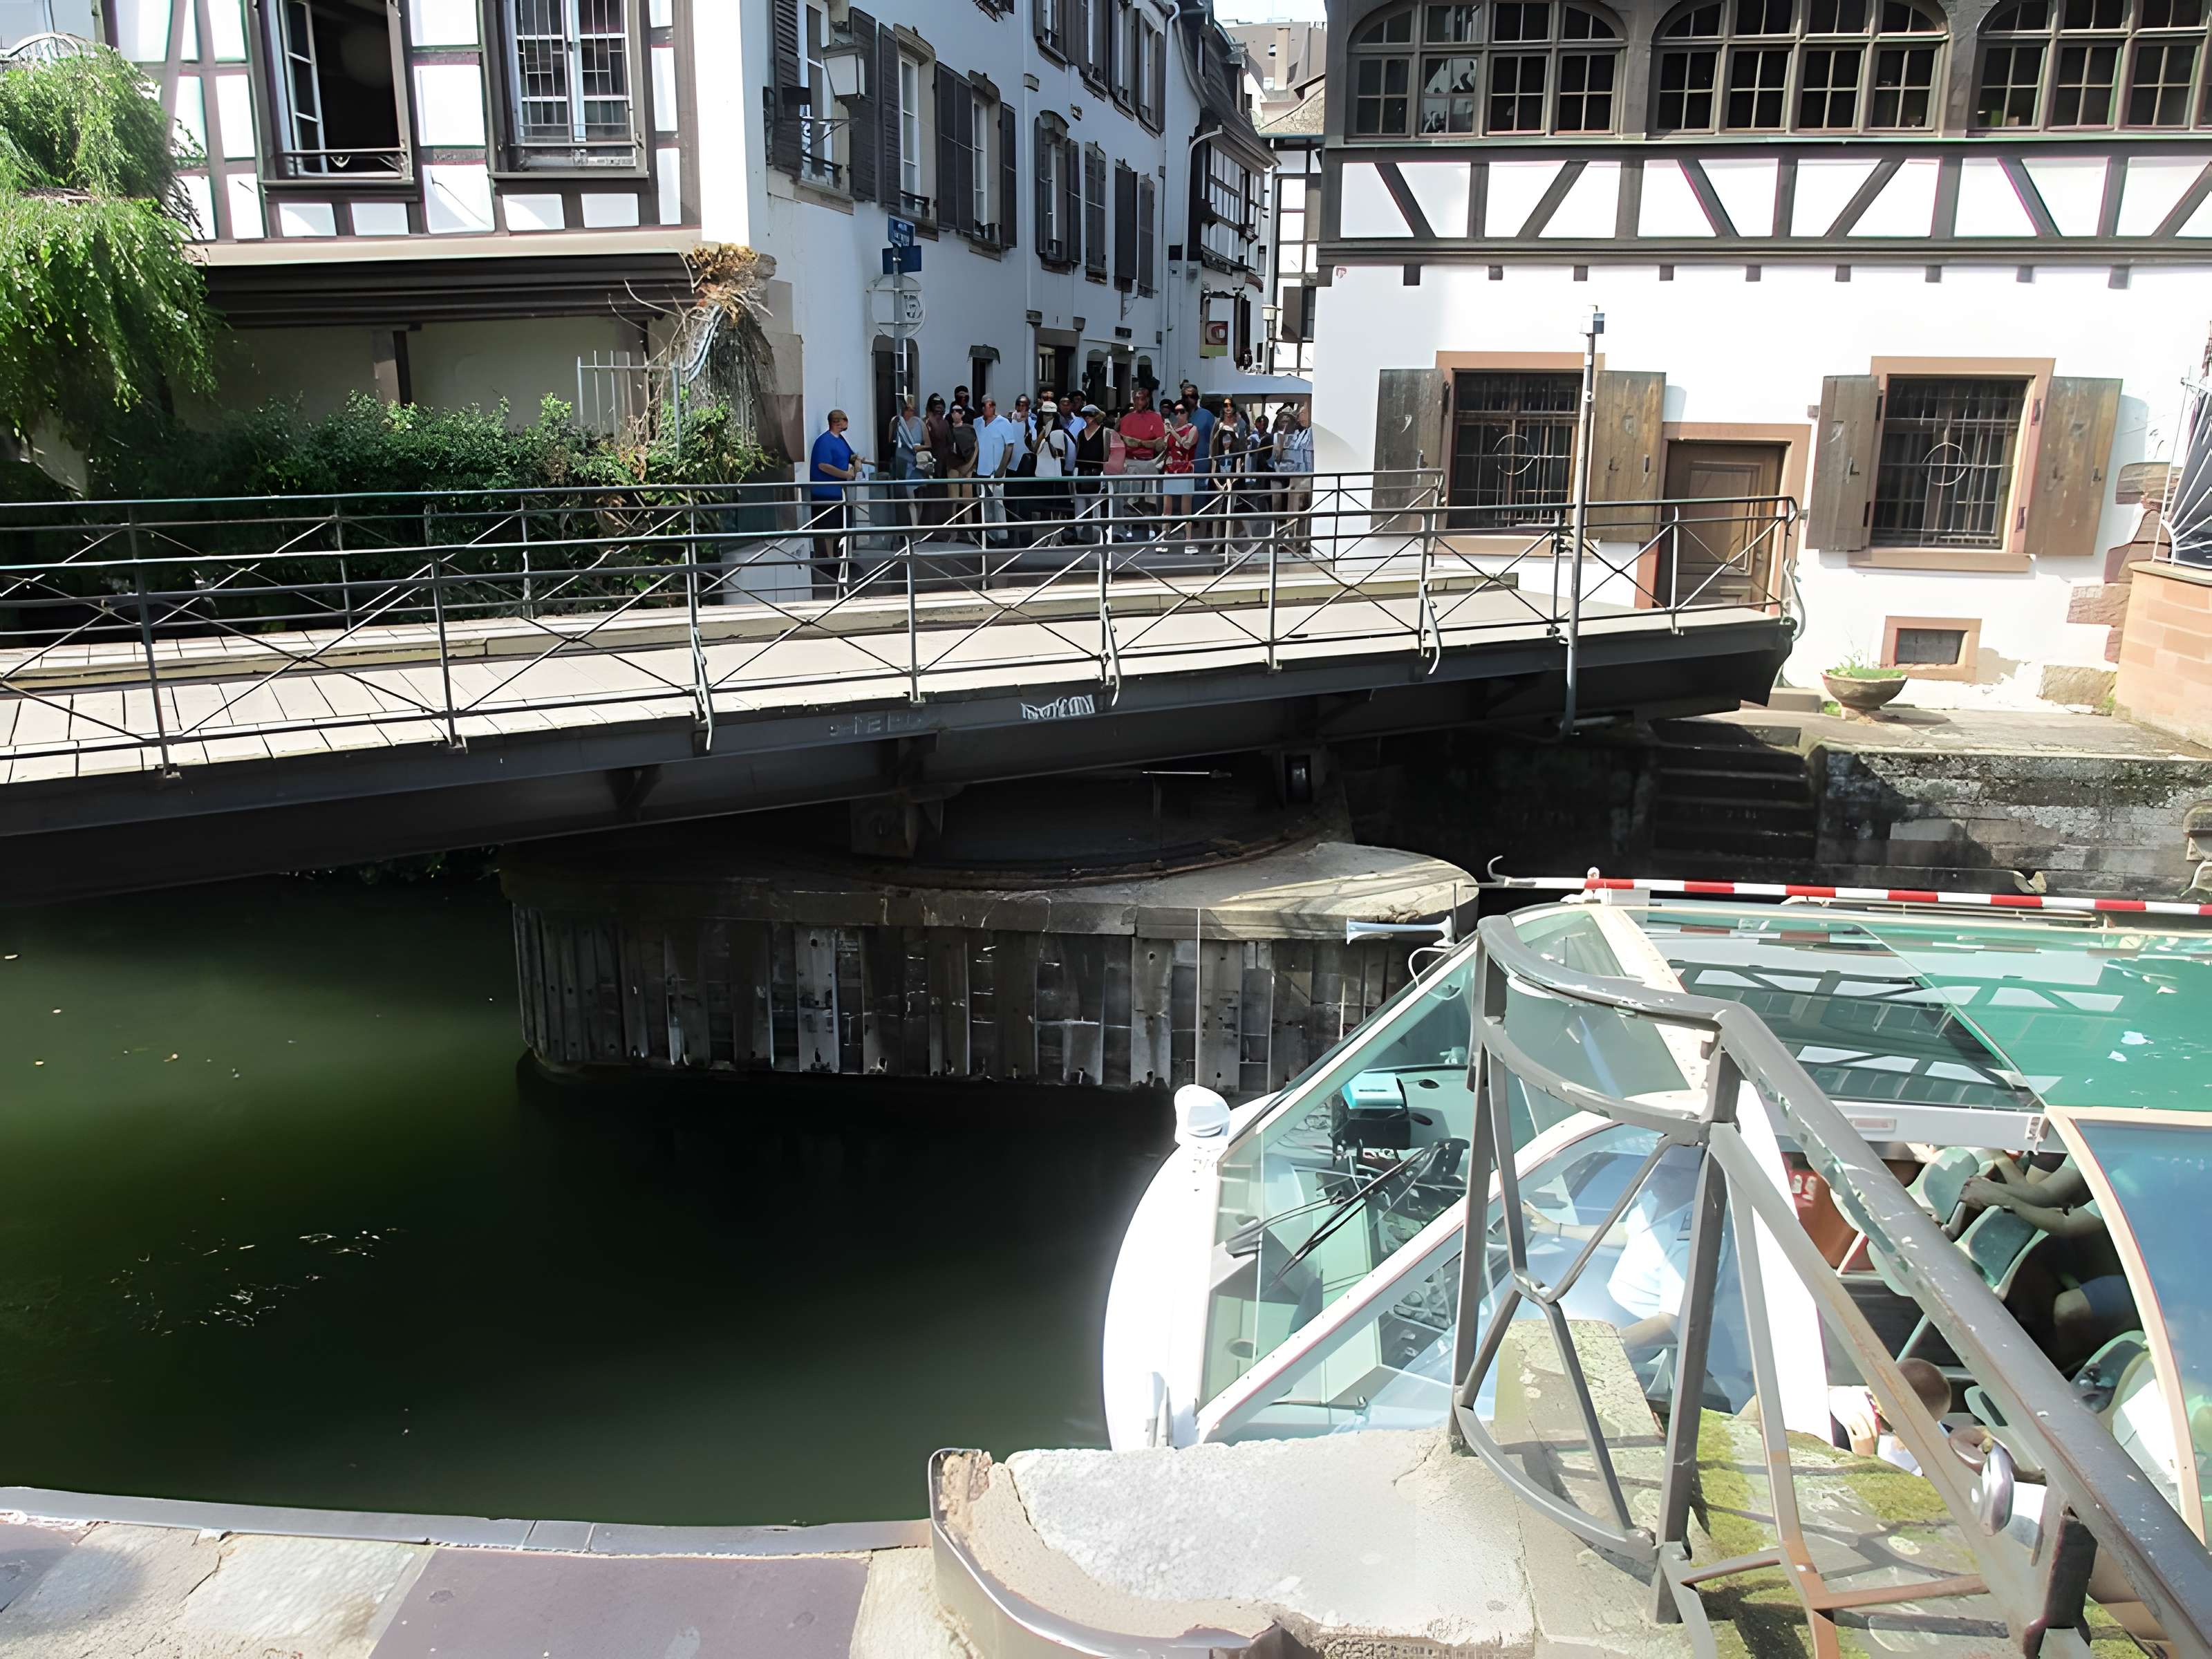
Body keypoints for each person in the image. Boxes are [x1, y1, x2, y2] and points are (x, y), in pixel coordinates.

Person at [1960, 1156, 2137, 1373]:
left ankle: (2065, 1370)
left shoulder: (2137, 1175)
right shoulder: (2086, 1141)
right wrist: (1996, 1186)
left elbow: (2065, 1223)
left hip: (2154, 1283)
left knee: (2068, 1308)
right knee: (2044, 1258)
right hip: (2112, 1258)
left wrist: (2002, 1197)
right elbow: (2044, 1194)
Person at [807, 407, 863, 596]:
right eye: (845, 421)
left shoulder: (841, 441)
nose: (847, 424)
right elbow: (823, 465)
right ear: (838, 422)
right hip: (825, 493)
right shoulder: (824, 441)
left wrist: (857, 461)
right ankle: (829, 560)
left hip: (839, 494)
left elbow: (850, 454)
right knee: (828, 528)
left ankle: (839, 559)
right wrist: (845, 475)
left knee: (840, 526)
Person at [1117, 387, 1166, 542]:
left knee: (1150, 500)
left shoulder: (1156, 418)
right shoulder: (1127, 419)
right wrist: (1146, 443)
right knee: (1131, 499)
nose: (1139, 402)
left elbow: (1159, 444)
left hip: (1150, 462)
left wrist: (1142, 443)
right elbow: (1126, 441)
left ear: (1148, 400)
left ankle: (1151, 529)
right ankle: (1130, 528)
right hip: (1132, 461)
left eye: (1142, 399)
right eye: (1136, 399)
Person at [973, 395, 1020, 548]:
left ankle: (1002, 536)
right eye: (985, 405)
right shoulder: (977, 423)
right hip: (981, 470)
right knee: (985, 505)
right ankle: (989, 536)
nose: (989, 407)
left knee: (998, 503)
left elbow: (1009, 446)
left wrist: (1001, 469)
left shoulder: (1004, 423)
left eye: (992, 404)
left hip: (996, 471)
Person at [1275, 404, 1314, 554]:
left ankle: (1301, 542)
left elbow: (1302, 454)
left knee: (1303, 510)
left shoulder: (1311, 433)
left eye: (1303, 413)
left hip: (1306, 477)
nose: (1300, 417)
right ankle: (1291, 540)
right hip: (1295, 476)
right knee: (1292, 510)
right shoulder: (1302, 434)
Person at [1162, 398, 1199, 550]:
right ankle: (1164, 539)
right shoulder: (1172, 428)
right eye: (1176, 412)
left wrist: (1171, 432)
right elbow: (1163, 446)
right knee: (1167, 508)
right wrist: (1166, 433)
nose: (1178, 415)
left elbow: (1186, 444)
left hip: (1185, 468)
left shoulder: (1193, 429)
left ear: (1187, 413)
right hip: (1170, 468)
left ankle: (1188, 541)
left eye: (1181, 411)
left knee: (1186, 508)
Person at [1033, 400, 1074, 538]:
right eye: (1046, 414)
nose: (1048, 417)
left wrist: (1048, 439)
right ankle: (1043, 534)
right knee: (1043, 503)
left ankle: (1058, 534)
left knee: (1056, 503)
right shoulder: (1036, 429)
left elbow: (1059, 453)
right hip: (1039, 472)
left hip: (1056, 472)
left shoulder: (1060, 432)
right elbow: (1034, 449)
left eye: (1051, 415)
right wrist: (1043, 434)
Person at [889, 396, 928, 531]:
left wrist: (919, 448)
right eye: (907, 409)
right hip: (902, 462)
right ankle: (912, 527)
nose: (910, 412)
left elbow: (928, 444)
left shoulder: (920, 423)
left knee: (918, 497)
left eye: (912, 409)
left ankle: (917, 527)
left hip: (916, 462)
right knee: (909, 499)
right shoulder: (896, 422)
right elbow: (890, 441)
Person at [1074, 402, 1110, 542]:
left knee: (1096, 505)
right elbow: (1077, 453)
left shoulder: (1105, 432)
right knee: (1080, 504)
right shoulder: (1081, 434)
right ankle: (1079, 534)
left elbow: (1106, 453)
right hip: (1082, 471)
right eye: (1085, 415)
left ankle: (1097, 535)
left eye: (1090, 415)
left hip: (1097, 472)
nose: (1087, 417)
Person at [944, 404, 980, 534]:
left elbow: (976, 447)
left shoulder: (969, 429)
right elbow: (946, 449)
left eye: (958, 411)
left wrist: (970, 466)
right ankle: (953, 530)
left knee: (967, 500)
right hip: (953, 466)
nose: (955, 414)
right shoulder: (948, 430)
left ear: (963, 413)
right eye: (953, 411)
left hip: (967, 466)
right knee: (953, 499)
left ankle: (969, 531)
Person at [922, 393, 953, 529]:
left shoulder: (943, 423)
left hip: (941, 464)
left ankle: (939, 529)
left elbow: (949, 442)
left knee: (938, 497)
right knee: (931, 497)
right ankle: (933, 529)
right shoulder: (927, 423)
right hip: (930, 463)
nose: (939, 411)